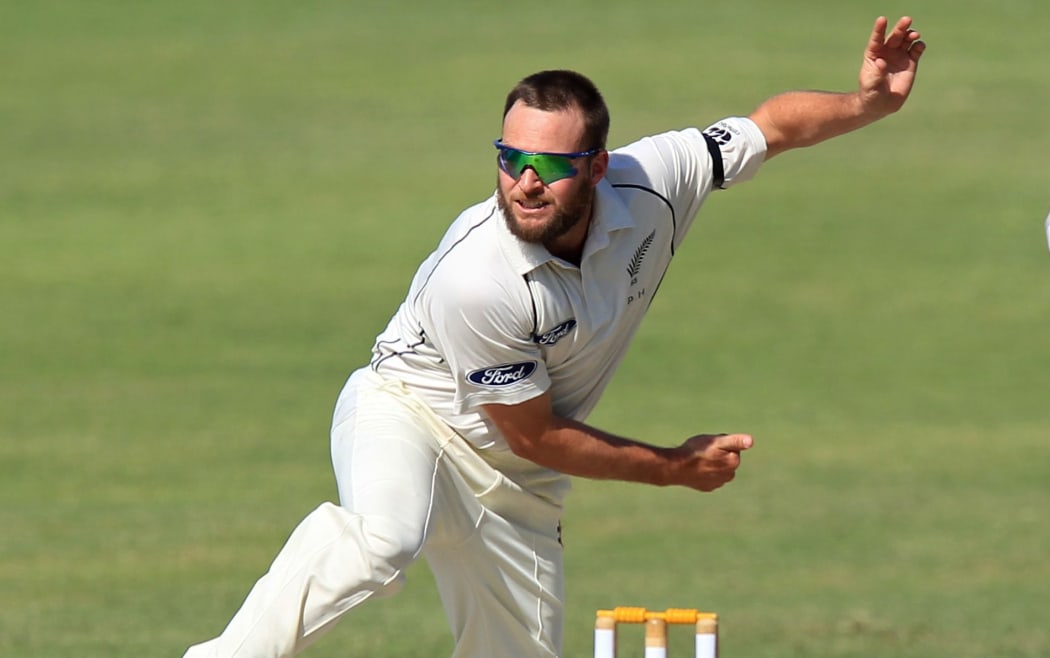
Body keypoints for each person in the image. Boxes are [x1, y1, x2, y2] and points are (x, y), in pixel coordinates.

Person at [184, 15, 926, 658]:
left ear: (599, 167)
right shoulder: (478, 276)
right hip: (408, 413)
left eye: (549, 164)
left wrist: (867, 104)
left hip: (514, 476)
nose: (524, 182)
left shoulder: (654, 180)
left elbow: (771, 127)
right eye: (509, 160)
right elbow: (535, 433)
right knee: (385, 540)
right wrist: (670, 467)